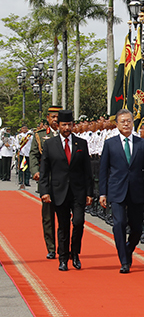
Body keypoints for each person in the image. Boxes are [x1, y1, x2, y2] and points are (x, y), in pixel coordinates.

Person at [99, 109, 144, 273]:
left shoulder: (141, 143)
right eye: (122, 121)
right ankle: (124, 261)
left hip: (136, 190)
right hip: (117, 190)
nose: (126, 124)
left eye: (129, 121)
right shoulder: (110, 144)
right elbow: (103, 170)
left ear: (132, 123)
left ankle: (128, 250)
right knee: (119, 223)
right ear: (117, 124)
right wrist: (103, 193)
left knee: (137, 228)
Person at [39, 110, 93, 271]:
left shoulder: (81, 143)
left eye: (69, 125)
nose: (67, 128)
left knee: (78, 222)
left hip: (78, 192)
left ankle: (75, 254)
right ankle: (63, 259)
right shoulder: (50, 144)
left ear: (73, 125)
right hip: (58, 191)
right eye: (64, 125)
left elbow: (87, 171)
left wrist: (90, 193)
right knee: (63, 226)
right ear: (58, 126)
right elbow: (44, 171)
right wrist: (44, 192)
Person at [30, 105, 62, 259]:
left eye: (58, 117)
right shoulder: (40, 135)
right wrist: (35, 171)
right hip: (47, 181)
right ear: (48, 118)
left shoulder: (68, 134)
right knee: (48, 217)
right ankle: (51, 247)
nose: (55, 120)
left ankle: (64, 247)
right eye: (53, 117)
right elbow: (33, 155)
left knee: (64, 216)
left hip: (64, 181)